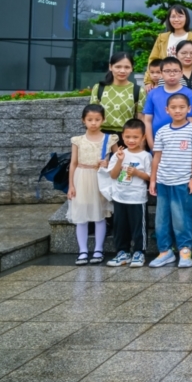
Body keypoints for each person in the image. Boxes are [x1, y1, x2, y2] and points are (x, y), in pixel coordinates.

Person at [148, 94, 192, 269]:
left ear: (189, 109)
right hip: (163, 181)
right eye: (173, 107)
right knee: (161, 219)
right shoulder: (162, 131)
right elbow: (157, 157)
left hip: (183, 181)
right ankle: (165, 251)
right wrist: (153, 180)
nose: (177, 110)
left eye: (181, 107)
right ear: (167, 110)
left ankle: (185, 250)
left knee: (181, 218)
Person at [67, 104, 118, 265]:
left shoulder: (110, 139)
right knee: (81, 216)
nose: (93, 123)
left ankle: (98, 249)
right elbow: (73, 164)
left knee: (99, 215)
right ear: (83, 120)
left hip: (100, 178)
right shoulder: (78, 140)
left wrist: (108, 163)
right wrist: (71, 186)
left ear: (103, 120)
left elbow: (119, 159)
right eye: (90, 119)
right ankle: (82, 250)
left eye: (97, 119)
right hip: (81, 177)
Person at [103, 119, 151, 268]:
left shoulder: (145, 156)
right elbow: (113, 175)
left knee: (139, 227)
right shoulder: (118, 154)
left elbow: (150, 177)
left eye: (135, 137)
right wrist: (119, 161)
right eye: (128, 137)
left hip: (137, 198)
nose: (131, 140)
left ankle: (139, 252)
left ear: (143, 137)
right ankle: (122, 252)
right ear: (122, 136)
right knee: (120, 227)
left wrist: (137, 172)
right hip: (120, 197)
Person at [143, 57, 192, 148]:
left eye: (176, 71)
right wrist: (152, 145)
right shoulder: (153, 94)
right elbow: (147, 121)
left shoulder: (189, 94)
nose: (172, 74)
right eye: (167, 71)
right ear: (161, 74)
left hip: (180, 146)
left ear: (181, 73)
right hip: (157, 143)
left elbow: (191, 121)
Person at [89, 52, 143, 144]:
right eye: (118, 67)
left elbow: (141, 119)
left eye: (127, 67)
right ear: (110, 67)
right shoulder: (99, 88)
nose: (122, 71)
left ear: (132, 68)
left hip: (128, 138)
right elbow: (92, 116)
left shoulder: (138, 90)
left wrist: (141, 144)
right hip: (101, 136)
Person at [147, 5, 192, 80]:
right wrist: (148, 81)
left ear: (186, 18)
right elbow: (153, 60)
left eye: (180, 16)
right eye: (173, 17)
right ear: (169, 19)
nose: (176, 19)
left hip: (186, 79)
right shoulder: (161, 38)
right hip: (164, 80)